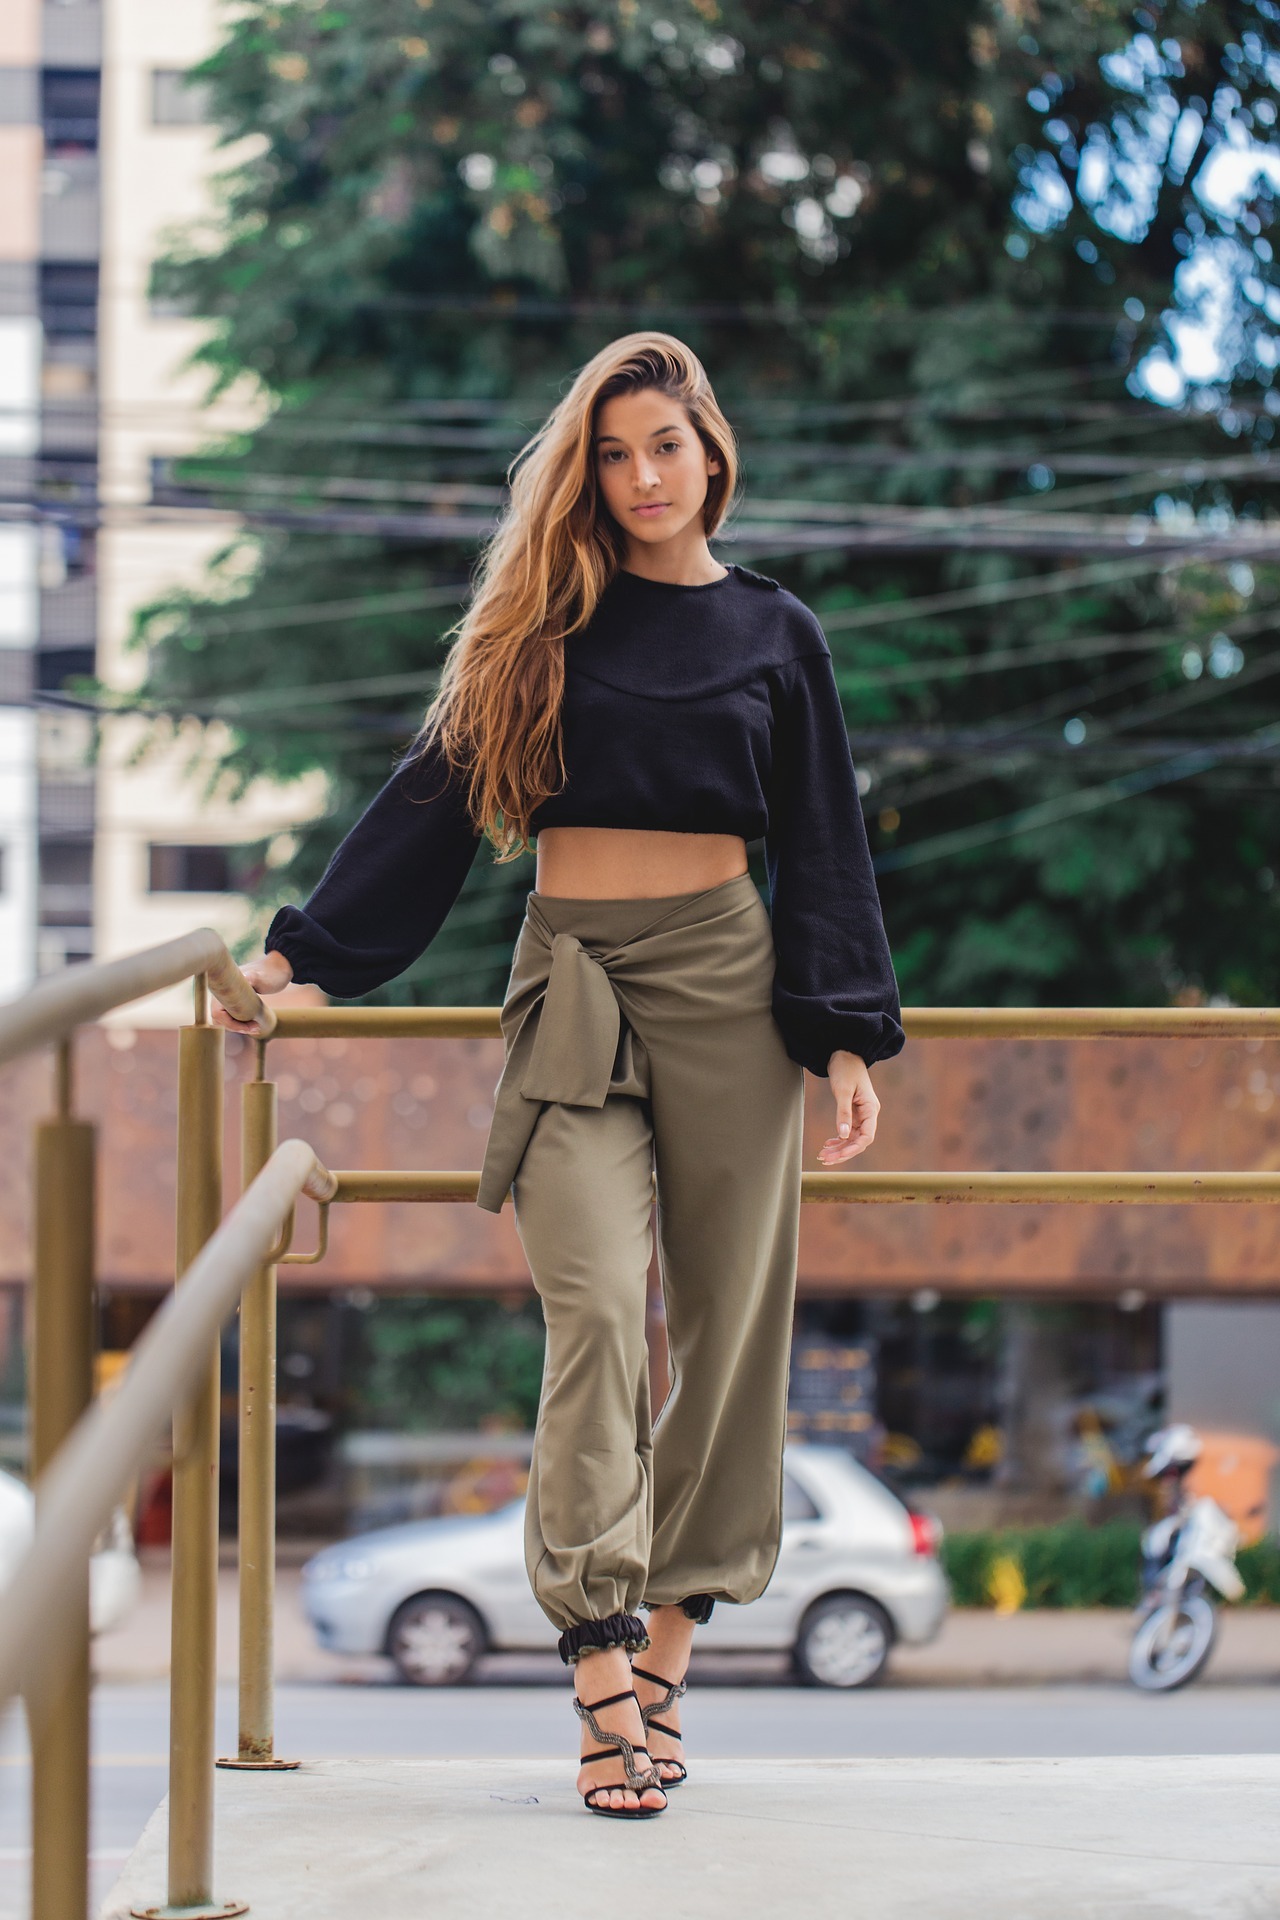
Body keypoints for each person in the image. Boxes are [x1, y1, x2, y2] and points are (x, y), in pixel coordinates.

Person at [217, 332, 905, 1819]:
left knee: (729, 1333)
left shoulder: (778, 632)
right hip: (575, 980)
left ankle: (667, 1655)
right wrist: (302, 959)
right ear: (582, 472)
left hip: (734, 986)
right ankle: (596, 1663)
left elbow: (823, 841)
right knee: (595, 1306)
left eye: (665, 445)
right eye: (611, 452)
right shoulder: (547, 622)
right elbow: (436, 798)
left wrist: (845, 1031)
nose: (642, 477)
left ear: (711, 451)